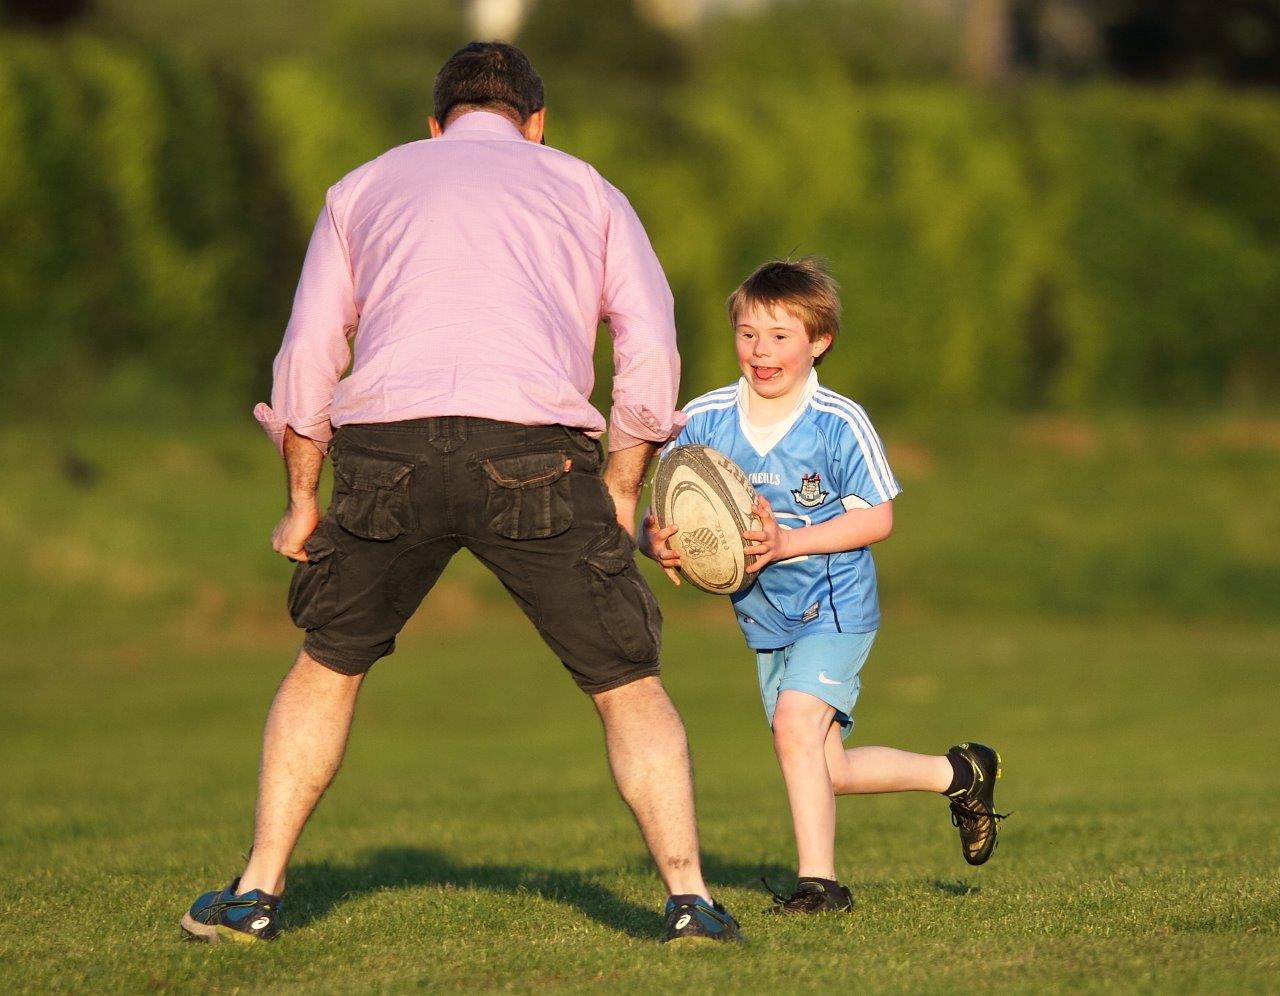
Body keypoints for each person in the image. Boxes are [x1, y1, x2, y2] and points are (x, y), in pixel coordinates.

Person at [181, 41, 741, 945]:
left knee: (329, 664)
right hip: (533, 452)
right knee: (627, 680)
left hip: (386, 454)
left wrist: (301, 496)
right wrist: (622, 483)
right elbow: (649, 345)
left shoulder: (360, 189)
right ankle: (689, 903)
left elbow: (308, 351)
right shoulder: (588, 188)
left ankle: (254, 895)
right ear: (538, 123)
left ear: (433, 125)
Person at [641, 258, 1006, 914]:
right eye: (748, 334)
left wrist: (787, 542)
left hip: (836, 609)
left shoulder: (837, 421)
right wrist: (656, 539)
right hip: (764, 620)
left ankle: (821, 886)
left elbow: (878, 517)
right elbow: (667, 508)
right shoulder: (702, 420)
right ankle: (960, 773)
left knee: (793, 727)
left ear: (819, 341)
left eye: (781, 336)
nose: (761, 351)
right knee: (826, 769)